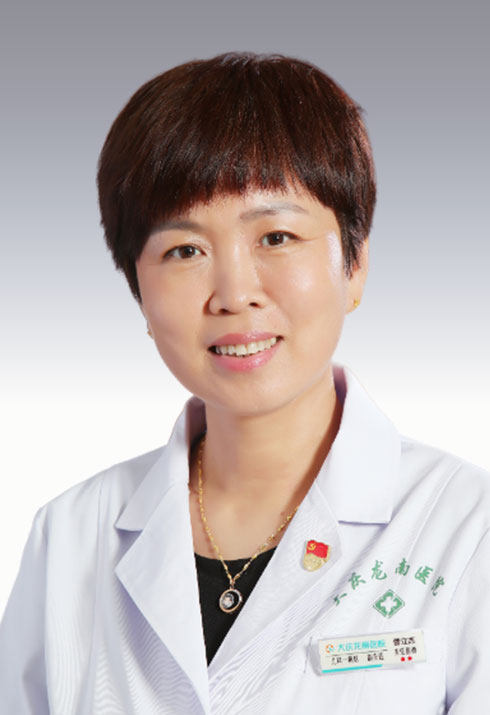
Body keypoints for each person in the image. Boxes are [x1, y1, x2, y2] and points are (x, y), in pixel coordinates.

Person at [0, 52, 489, 715]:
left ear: (354, 265)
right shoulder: (68, 536)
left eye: (277, 236)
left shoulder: (466, 527)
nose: (234, 293)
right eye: (184, 250)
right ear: (138, 290)